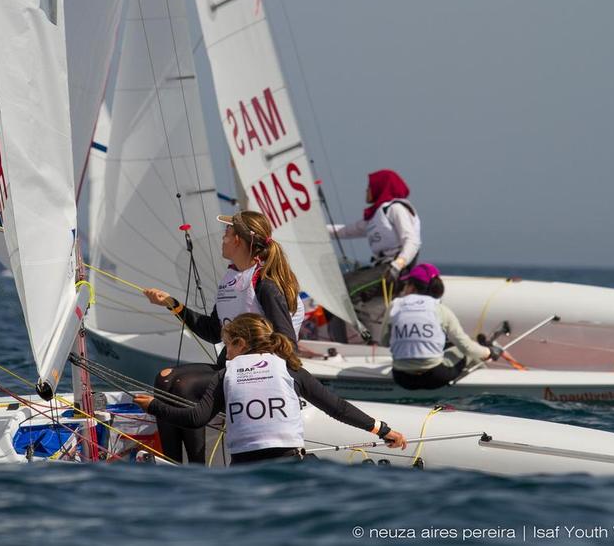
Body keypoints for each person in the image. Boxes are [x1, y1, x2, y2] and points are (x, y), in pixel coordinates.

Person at [133, 314, 408, 465]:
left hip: (244, 468)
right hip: (289, 465)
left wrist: (153, 406)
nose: (226, 353)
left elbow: (196, 418)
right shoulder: (289, 369)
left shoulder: (226, 374)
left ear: (241, 344)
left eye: (228, 345)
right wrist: (383, 430)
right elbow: (337, 408)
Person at [142, 210, 304, 463]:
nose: (223, 240)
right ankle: (171, 464)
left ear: (238, 240)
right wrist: (172, 304)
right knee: (164, 379)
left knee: (183, 387)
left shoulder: (265, 285)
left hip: (255, 374)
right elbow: (212, 331)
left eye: (226, 234)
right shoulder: (231, 279)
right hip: (226, 365)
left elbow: (288, 341)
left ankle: (196, 469)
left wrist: (256, 360)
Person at [327, 169, 421, 341]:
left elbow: (413, 241)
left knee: (347, 289)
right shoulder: (376, 215)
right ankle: (340, 341)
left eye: (369, 187)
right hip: (381, 267)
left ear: (380, 187)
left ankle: (369, 340)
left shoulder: (396, 208)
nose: (366, 191)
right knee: (335, 286)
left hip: (394, 271)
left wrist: (397, 265)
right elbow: (345, 231)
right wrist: (312, 229)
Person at [384, 263, 497, 390]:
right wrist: (489, 352)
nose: (404, 288)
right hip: (435, 377)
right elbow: (466, 347)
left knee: (452, 348)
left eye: (406, 284)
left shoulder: (394, 306)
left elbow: (384, 342)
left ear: (412, 287)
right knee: (465, 351)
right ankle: (485, 384)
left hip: (402, 378)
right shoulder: (441, 309)